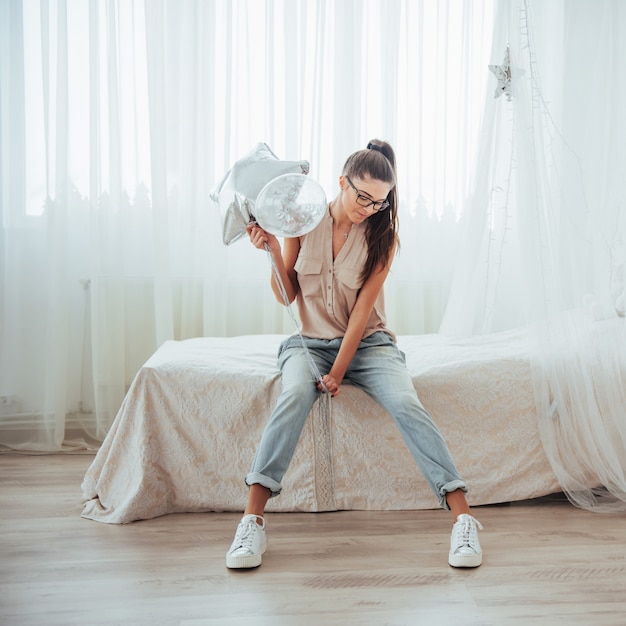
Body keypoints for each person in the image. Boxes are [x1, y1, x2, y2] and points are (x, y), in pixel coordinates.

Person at [226, 140, 483, 570]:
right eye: (362, 196)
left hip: (368, 346)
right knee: (291, 399)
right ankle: (251, 521)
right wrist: (271, 248)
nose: (369, 207)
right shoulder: (303, 220)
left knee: (405, 403)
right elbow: (288, 294)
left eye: (379, 202)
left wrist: (338, 372)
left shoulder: (383, 238)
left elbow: (363, 314)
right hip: (309, 344)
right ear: (342, 182)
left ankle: (464, 519)